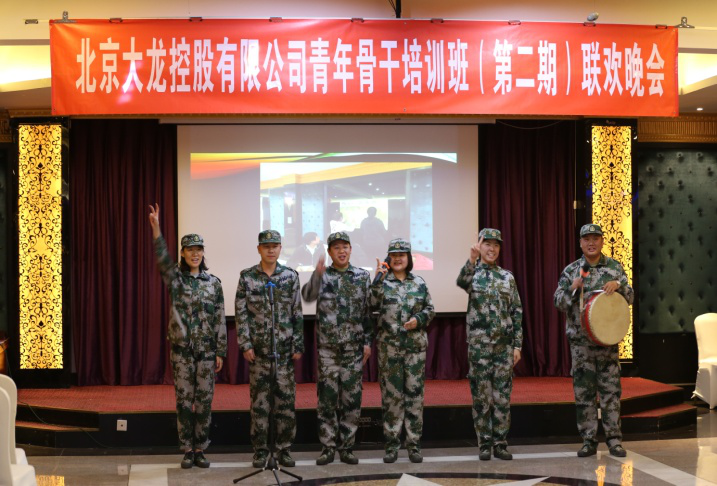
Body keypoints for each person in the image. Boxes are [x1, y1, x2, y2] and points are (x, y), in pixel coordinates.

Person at [148, 203, 227, 469]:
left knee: (204, 402)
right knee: (184, 402)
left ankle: (201, 448)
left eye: (199, 249)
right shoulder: (176, 279)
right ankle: (187, 449)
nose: (195, 254)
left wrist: (220, 351)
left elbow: (220, 317)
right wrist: (157, 229)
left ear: (203, 253)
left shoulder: (213, 283)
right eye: (190, 250)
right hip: (182, 351)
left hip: (207, 352)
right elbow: (162, 259)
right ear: (182, 253)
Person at [553, 224, 634, 458]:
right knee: (584, 394)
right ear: (580, 243)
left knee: (611, 393)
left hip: (607, 343)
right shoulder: (572, 270)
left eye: (595, 238)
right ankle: (588, 440)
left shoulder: (614, 268)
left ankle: (614, 440)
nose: (591, 243)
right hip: (581, 345)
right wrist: (572, 288)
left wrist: (619, 286)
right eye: (586, 239)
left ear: (602, 241)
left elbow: (630, 297)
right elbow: (558, 303)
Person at [301, 231, 373, 465]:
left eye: (345, 247)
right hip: (328, 350)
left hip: (353, 349)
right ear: (330, 252)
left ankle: (347, 447)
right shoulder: (323, 275)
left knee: (352, 400)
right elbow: (307, 296)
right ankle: (328, 447)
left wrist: (367, 342)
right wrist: (316, 275)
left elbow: (367, 312)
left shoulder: (362, 276)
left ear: (351, 249)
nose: (341, 251)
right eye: (336, 248)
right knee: (327, 399)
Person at [236, 230, 304, 469]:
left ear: (280, 248)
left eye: (275, 246)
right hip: (259, 354)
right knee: (260, 405)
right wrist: (245, 344)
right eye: (266, 246)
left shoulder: (290, 276)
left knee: (286, 403)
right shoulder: (247, 277)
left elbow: (297, 312)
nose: (271, 250)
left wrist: (298, 344)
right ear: (259, 249)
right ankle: (260, 450)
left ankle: (284, 450)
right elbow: (241, 313)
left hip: (284, 353)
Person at [456, 228, 522, 461]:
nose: (492, 248)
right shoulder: (472, 274)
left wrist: (517, 346)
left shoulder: (507, 277)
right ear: (480, 246)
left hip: (504, 347)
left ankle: (500, 444)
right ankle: (484, 444)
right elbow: (461, 282)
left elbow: (516, 311)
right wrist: (471, 260)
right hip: (479, 347)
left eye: (496, 245)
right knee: (482, 398)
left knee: (502, 398)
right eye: (487, 244)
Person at [371, 238, 435, 464]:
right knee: (392, 399)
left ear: (409, 258)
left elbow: (430, 309)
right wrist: (377, 280)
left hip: (415, 350)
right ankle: (391, 446)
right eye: (394, 255)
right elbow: (370, 305)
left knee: (415, 398)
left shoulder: (419, 283)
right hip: (389, 350)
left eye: (402, 255)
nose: (398, 258)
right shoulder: (381, 283)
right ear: (388, 258)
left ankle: (414, 445)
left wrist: (419, 319)